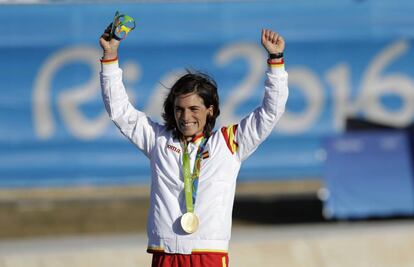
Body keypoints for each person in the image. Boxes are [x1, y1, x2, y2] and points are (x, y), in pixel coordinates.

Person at [99, 25, 288, 267]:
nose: (185, 116)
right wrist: (109, 57)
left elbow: (271, 112)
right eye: (179, 109)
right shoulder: (159, 140)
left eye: (193, 109)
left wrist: (276, 60)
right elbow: (119, 111)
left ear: (210, 110)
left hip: (208, 254)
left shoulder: (230, 143)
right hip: (165, 253)